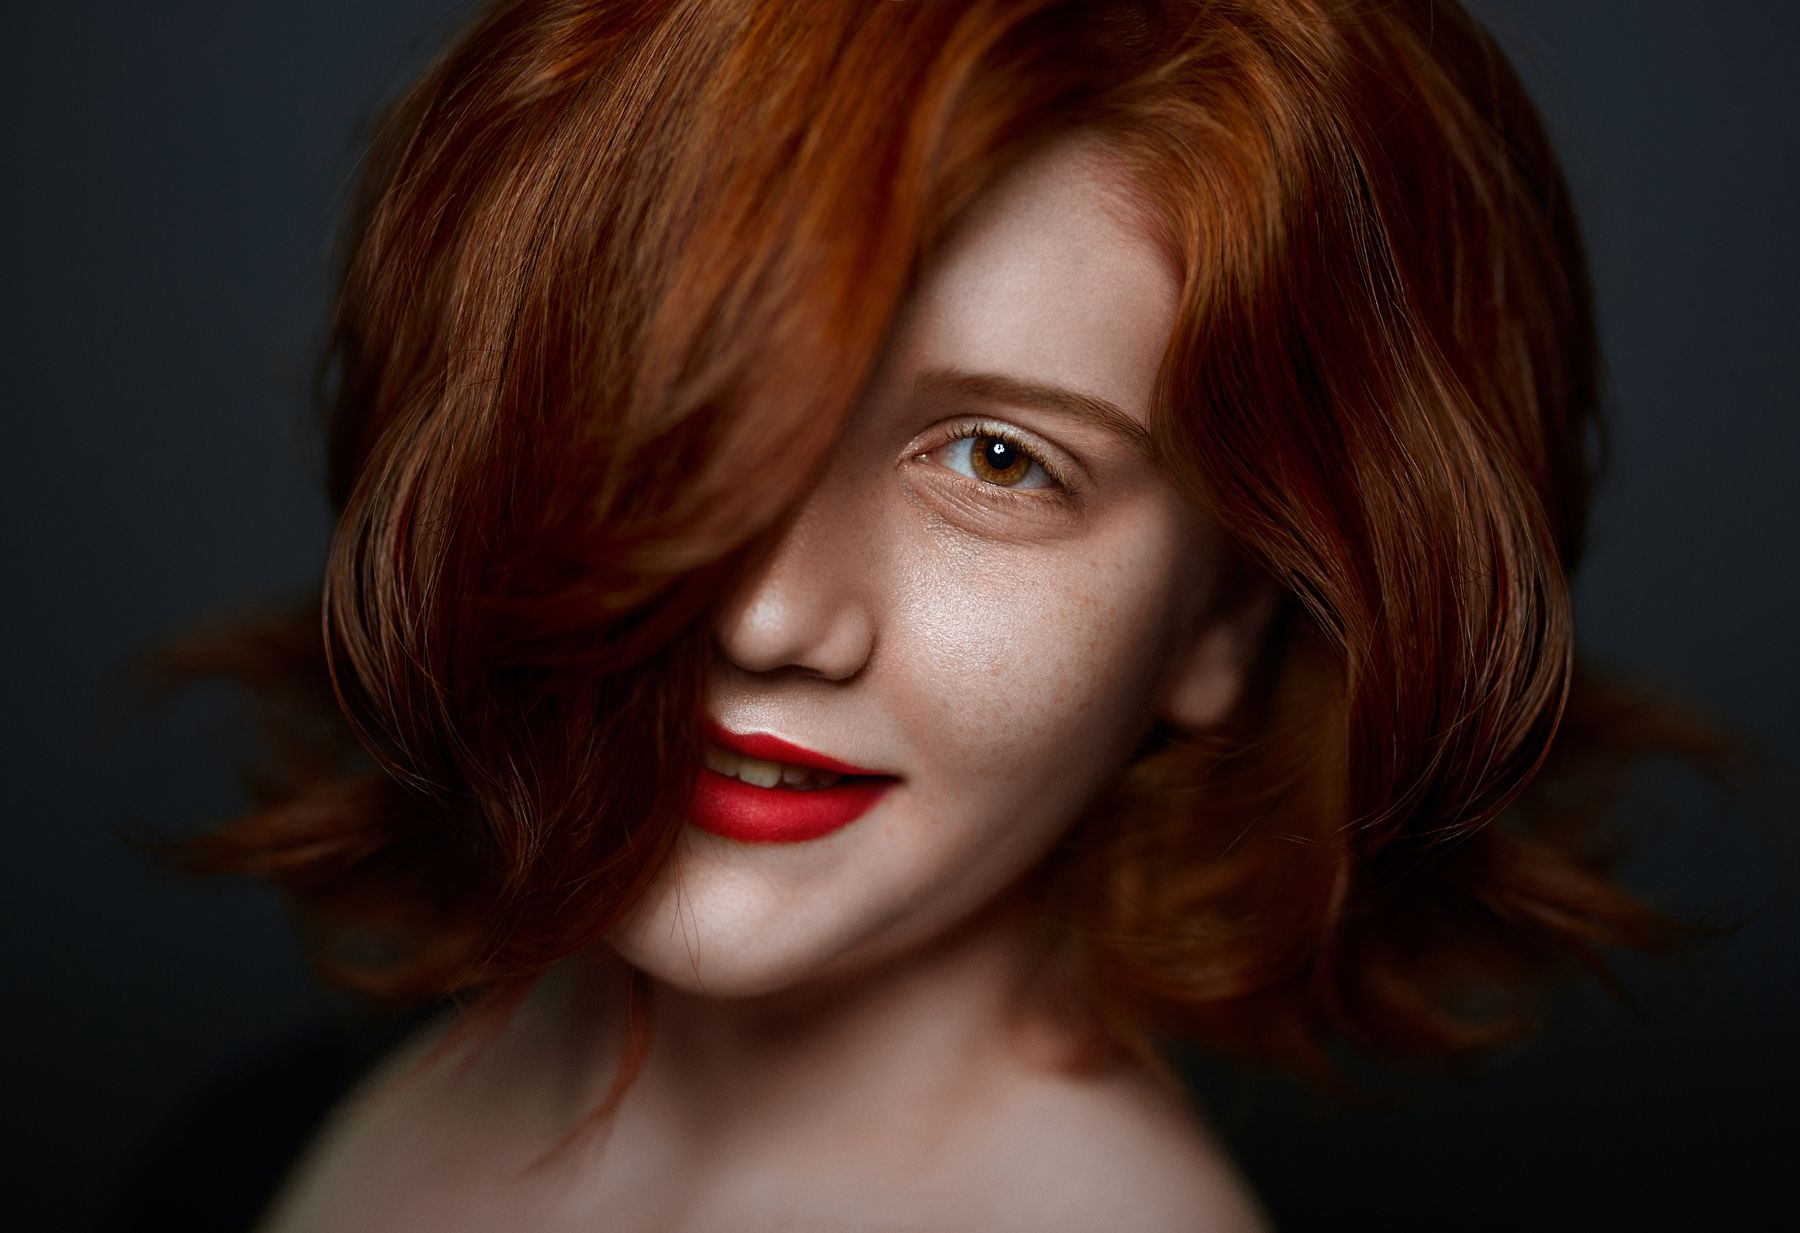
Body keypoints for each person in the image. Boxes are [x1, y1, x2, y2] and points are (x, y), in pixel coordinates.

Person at [153, 0, 1727, 1228]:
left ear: (1227, 616)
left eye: (999, 458)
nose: (769, 613)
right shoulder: (308, 1111)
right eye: (696, 400)